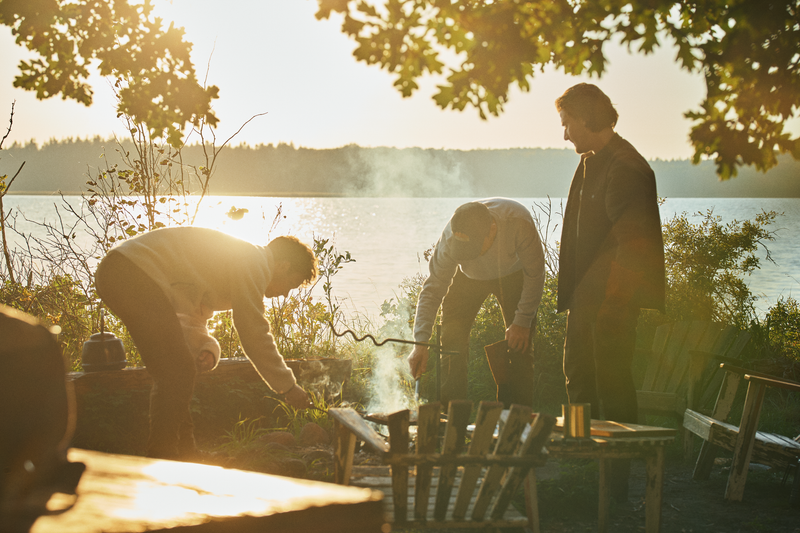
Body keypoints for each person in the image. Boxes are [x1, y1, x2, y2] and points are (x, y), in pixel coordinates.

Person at [94, 226, 318, 460]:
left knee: (176, 371)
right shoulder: (255, 261)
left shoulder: (228, 267)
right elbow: (253, 330)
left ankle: (185, 453)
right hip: (130, 270)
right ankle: (164, 457)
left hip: (118, 272)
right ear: (283, 265)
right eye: (290, 285)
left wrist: (206, 348)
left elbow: (190, 315)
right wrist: (288, 386)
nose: (284, 295)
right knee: (176, 372)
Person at [555, 83, 665, 499]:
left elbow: (633, 244)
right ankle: (582, 460)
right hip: (587, 299)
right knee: (579, 378)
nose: (564, 134)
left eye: (566, 124)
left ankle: (617, 476)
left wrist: (612, 307)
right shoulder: (590, 161)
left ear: (586, 118)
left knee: (612, 384)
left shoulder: (626, 166)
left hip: (612, 305)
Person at [407, 198, 545, 407]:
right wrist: (420, 342)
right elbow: (433, 288)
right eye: (464, 250)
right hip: (466, 279)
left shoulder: (518, 222)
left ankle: (515, 420)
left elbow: (535, 274)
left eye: (473, 248)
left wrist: (522, 321)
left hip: (513, 274)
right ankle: (452, 416)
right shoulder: (450, 238)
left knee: (519, 345)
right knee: (452, 343)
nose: (470, 256)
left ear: (491, 229)